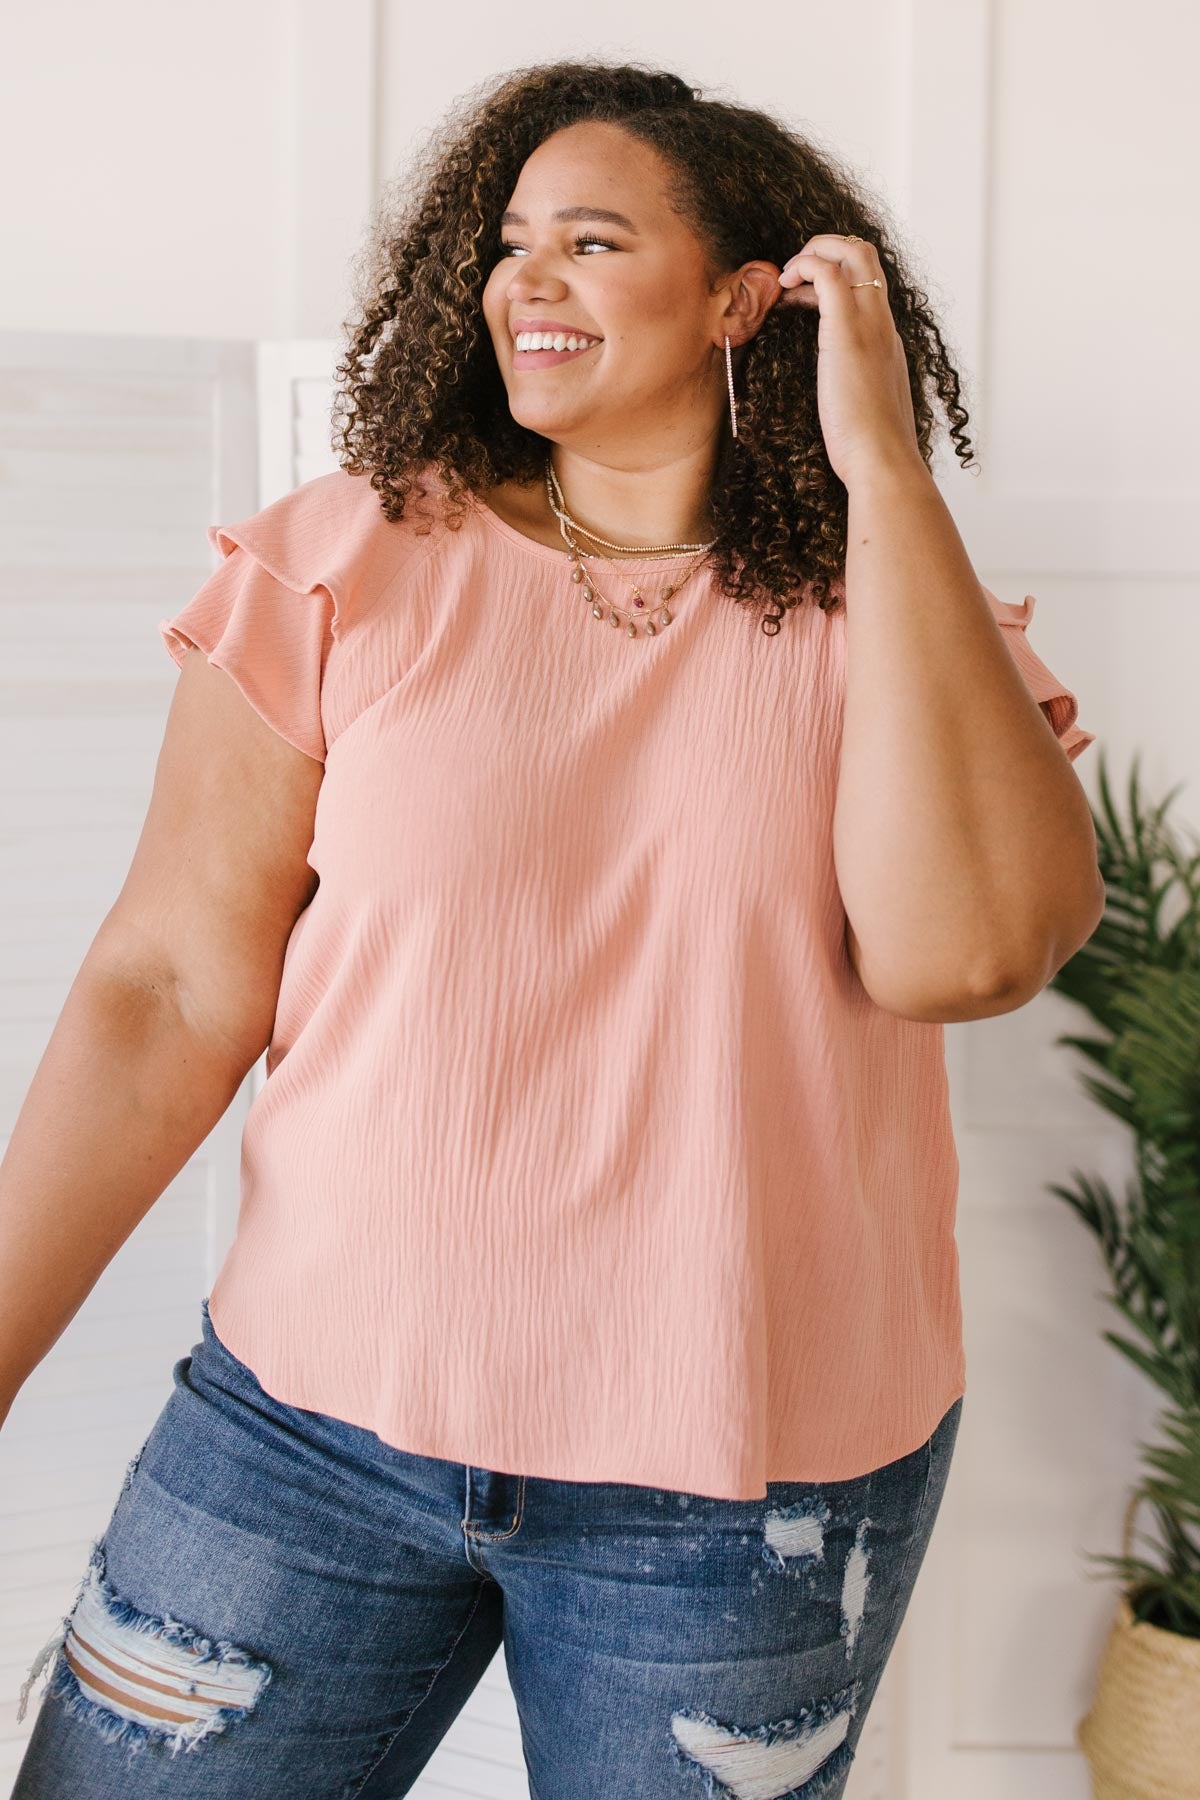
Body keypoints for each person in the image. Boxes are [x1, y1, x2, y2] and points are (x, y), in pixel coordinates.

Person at [6, 58, 1100, 1799]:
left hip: (746, 1491)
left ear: (745, 297)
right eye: (512, 241)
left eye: (593, 240)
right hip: (308, 1431)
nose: (527, 278)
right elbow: (162, 987)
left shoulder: (888, 618)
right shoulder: (343, 559)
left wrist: (879, 471)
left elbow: (965, 955)